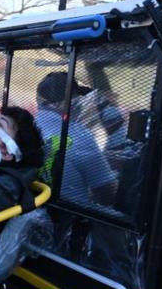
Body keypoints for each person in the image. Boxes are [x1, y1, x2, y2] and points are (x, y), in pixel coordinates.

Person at [32, 72, 116, 203]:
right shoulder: (78, 135)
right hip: (73, 216)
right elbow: (107, 191)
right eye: (78, 98)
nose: (81, 103)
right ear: (66, 103)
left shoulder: (30, 126)